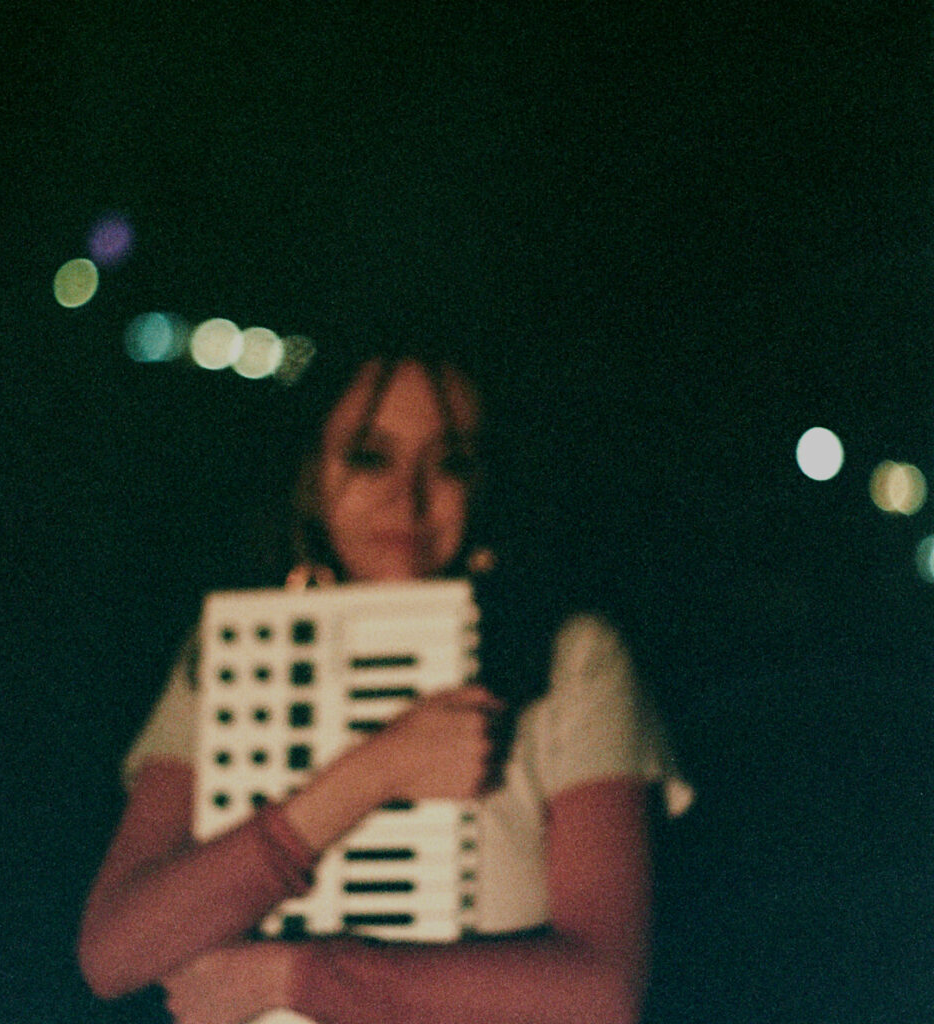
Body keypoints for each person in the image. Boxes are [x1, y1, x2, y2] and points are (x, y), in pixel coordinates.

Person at [77, 348, 691, 1024]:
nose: (409, 496)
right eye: (370, 457)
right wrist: (374, 773)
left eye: (451, 462)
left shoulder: (573, 659)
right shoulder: (229, 650)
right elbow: (113, 956)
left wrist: (300, 978)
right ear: (311, 475)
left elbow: (600, 994)